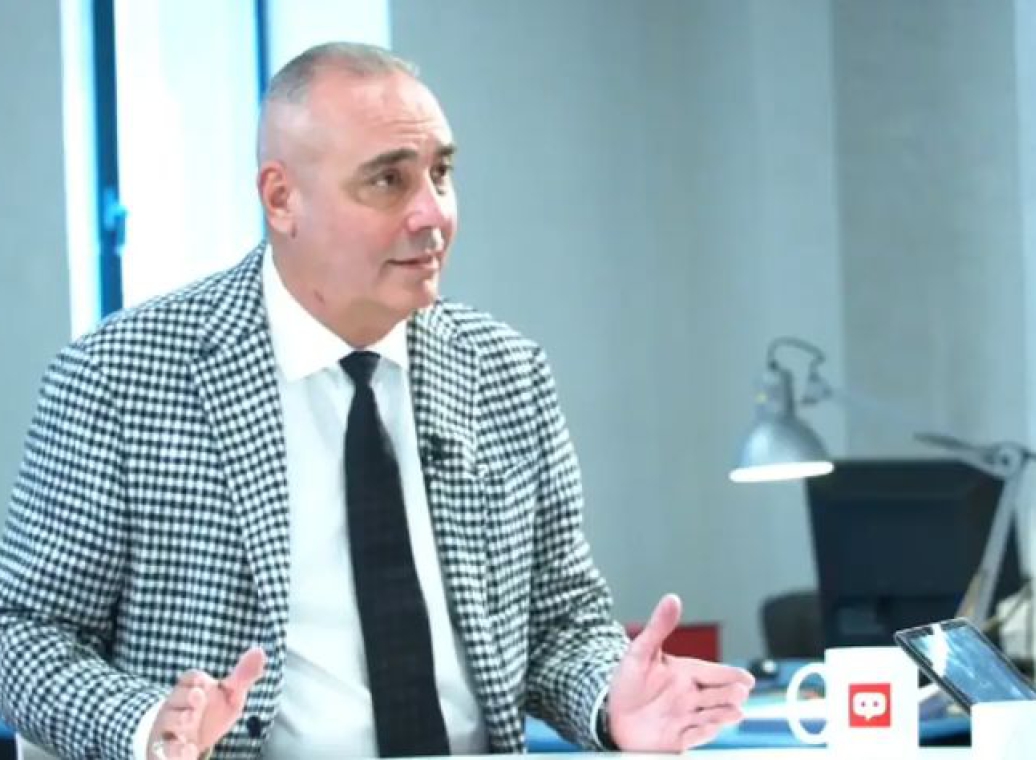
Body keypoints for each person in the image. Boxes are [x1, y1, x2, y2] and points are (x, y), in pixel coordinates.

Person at [0, 42, 753, 760]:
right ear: (282, 199)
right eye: (388, 181)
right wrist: (146, 723)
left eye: (441, 173)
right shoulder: (122, 377)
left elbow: (560, 624)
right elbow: (21, 631)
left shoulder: (506, 371)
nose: (433, 213)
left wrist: (611, 699)